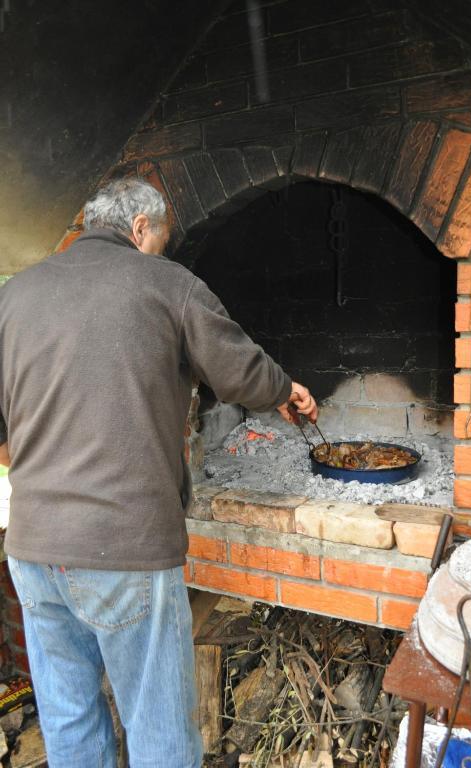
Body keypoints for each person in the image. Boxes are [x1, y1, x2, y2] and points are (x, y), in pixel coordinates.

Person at [0, 178, 317, 768]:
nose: (162, 254)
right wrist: (284, 388)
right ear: (140, 228)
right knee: (159, 727)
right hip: (126, 548)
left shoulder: (16, 294)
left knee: (68, 720)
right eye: (162, 241)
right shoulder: (168, 285)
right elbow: (239, 371)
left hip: (33, 552)